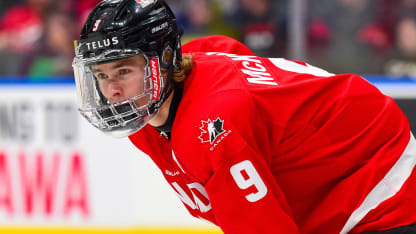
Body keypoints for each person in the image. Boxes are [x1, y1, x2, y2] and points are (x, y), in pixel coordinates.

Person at [72, 0, 416, 233]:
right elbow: (226, 47)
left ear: (164, 60)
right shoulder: (159, 94)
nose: (112, 90)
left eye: (123, 70)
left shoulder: (212, 126)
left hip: (380, 179)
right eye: (101, 76)